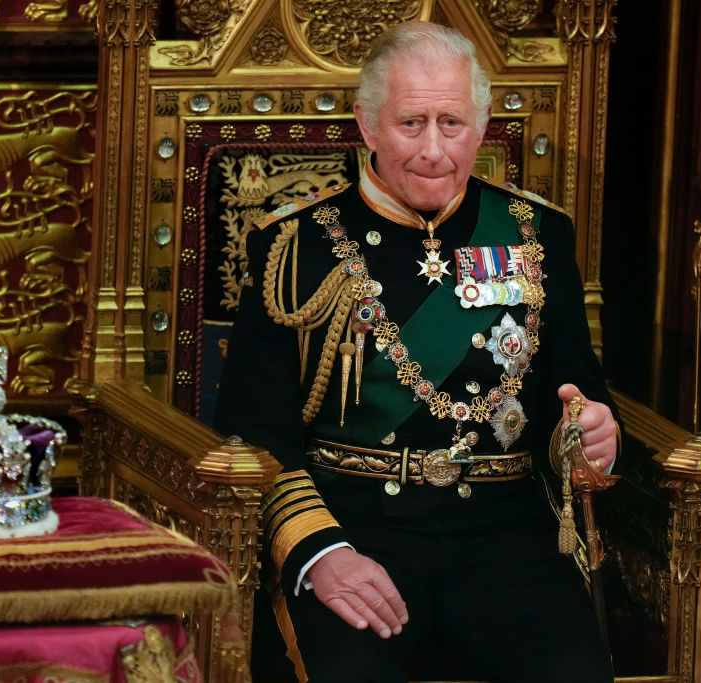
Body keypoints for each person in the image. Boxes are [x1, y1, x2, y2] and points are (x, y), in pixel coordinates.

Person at [215, 20, 619, 683]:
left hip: (503, 540)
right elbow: (252, 435)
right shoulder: (296, 245)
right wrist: (320, 551)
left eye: (452, 123)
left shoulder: (537, 234)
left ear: (482, 126)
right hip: (357, 527)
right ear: (367, 124)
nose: (434, 149)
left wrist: (588, 435)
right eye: (411, 124)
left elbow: (572, 395)